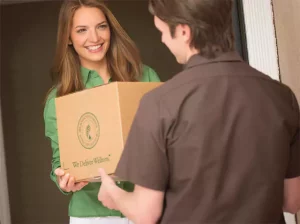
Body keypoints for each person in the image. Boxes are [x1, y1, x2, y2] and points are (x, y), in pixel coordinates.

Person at [97, 0, 300, 223]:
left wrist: (113, 194)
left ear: (184, 32)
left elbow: (145, 213)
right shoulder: (282, 96)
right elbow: (292, 201)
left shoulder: (159, 103)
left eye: (162, 31)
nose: (163, 39)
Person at [43, 0, 160, 223]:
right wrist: (65, 181)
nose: (95, 38)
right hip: (93, 215)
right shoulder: (58, 100)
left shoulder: (145, 77)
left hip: (147, 208)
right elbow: (61, 163)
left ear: (110, 30)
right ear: (68, 38)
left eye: (101, 26)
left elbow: (168, 139)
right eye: (81, 30)